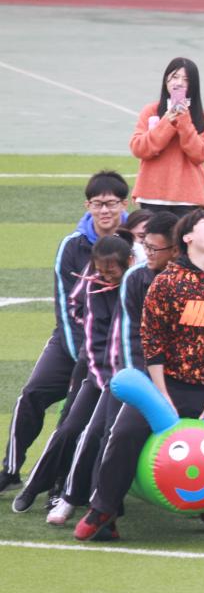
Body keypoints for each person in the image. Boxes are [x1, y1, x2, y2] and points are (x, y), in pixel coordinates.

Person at [76, 210, 204, 546]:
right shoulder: (166, 283)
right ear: (188, 237)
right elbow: (153, 343)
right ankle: (103, 511)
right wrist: (161, 394)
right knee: (123, 435)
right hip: (165, 383)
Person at [46, 212, 180, 526]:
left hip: (167, 377)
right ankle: (73, 497)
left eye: (153, 247)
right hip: (125, 375)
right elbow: (123, 334)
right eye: (144, 245)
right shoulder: (135, 278)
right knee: (94, 432)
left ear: (175, 249)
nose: (146, 252)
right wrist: (128, 380)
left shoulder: (181, 280)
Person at [0, 171, 128, 494]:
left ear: (124, 204)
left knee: (77, 412)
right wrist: (82, 360)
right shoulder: (72, 246)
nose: (105, 210)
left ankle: (64, 482)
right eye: (98, 203)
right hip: (73, 342)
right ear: (88, 205)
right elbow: (67, 309)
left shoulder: (135, 242)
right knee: (32, 394)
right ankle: (11, 469)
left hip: (119, 348)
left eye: (111, 203)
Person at [12, 232, 135, 515]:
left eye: (112, 272)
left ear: (128, 263)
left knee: (94, 434)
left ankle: (70, 496)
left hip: (122, 378)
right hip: (96, 373)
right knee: (68, 428)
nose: (105, 277)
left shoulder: (135, 285)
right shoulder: (91, 284)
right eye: (100, 271)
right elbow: (76, 309)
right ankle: (34, 485)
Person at [130, 57, 204, 217]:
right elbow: (139, 149)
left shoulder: (202, 118)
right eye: (175, 77)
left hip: (188, 199)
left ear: (193, 85)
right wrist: (167, 120)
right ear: (166, 80)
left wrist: (184, 119)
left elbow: (200, 154)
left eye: (186, 79)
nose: (179, 83)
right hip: (152, 196)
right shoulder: (151, 111)